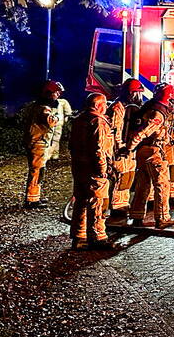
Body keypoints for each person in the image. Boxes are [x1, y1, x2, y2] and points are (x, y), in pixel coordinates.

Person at [126, 84, 174, 229]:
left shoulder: (150, 107)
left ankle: (137, 216)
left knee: (143, 185)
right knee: (162, 184)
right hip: (152, 152)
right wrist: (129, 148)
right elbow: (143, 132)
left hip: (144, 151)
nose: (172, 103)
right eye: (171, 100)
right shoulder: (157, 114)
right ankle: (162, 218)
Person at [69, 93, 116, 250]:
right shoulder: (98, 122)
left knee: (81, 201)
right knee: (98, 202)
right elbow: (99, 148)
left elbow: (71, 145)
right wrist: (102, 168)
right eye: (104, 105)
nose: (106, 108)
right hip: (93, 169)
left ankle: (79, 236)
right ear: (98, 105)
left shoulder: (79, 119)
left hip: (79, 166)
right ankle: (98, 237)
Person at [107, 79, 144, 220]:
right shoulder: (118, 107)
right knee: (120, 177)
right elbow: (116, 130)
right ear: (130, 93)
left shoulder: (130, 106)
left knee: (128, 176)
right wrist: (120, 147)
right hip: (120, 149)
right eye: (137, 93)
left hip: (129, 148)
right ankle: (116, 207)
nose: (139, 97)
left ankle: (123, 203)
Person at [22, 81, 62, 208]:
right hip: (38, 142)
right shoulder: (43, 108)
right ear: (49, 93)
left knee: (38, 170)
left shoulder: (36, 105)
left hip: (35, 141)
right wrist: (57, 117)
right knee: (38, 171)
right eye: (56, 92)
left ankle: (34, 197)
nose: (58, 95)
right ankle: (31, 200)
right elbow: (50, 121)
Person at [47, 93, 73, 161]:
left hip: (57, 123)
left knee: (55, 139)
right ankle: (50, 155)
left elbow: (68, 112)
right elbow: (68, 112)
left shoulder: (62, 101)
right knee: (50, 139)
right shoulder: (49, 101)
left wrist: (66, 119)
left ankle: (54, 155)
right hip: (51, 122)